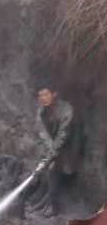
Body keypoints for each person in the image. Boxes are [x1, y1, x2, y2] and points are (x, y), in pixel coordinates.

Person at [34, 86, 80, 216]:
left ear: (54, 94)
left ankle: (54, 206)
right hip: (53, 146)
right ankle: (43, 199)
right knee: (47, 168)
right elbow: (42, 132)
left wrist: (52, 155)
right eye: (40, 95)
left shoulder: (67, 110)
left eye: (46, 94)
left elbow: (64, 134)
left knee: (53, 170)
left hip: (69, 145)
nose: (43, 98)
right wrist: (49, 152)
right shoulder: (41, 112)